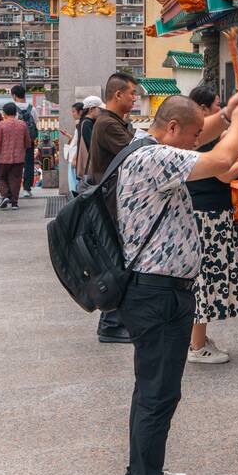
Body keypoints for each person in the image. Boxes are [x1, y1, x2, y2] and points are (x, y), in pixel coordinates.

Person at [115, 93, 238, 475]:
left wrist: (227, 114)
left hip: (159, 289)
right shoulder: (155, 158)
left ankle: (146, 470)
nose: (197, 142)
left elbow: (202, 131)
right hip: (157, 292)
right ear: (172, 129)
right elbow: (221, 160)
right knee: (158, 392)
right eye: (192, 135)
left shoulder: (145, 143)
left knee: (155, 389)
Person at [185, 85, 238, 364]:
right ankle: (197, 346)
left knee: (205, 281)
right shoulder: (201, 138)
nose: (223, 108)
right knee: (205, 281)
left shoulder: (197, 135)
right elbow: (226, 172)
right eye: (218, 105)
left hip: (210, 214)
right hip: (208, 217)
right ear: (204, 109)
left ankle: (198, 339)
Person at [89, 72, 141, 343]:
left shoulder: (114, 121)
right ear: (118, 94)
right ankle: (110, 322)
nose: (135, 97)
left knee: (119, 261)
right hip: (111, 204)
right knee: (116, 263)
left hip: (115, 202)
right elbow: (135, 154)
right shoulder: (108, 124)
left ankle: (115, 320)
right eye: (132, 93)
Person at [0, 102, 31, 210]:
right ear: (16, 112)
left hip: (3, 158)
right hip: (19, 158)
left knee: (0, 177)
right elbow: (27, 142)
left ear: (4, 113)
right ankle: (14, 203)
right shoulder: (22, 124)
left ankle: (5, 196)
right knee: (15, 180)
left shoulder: (1, 124)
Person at [73, 96, 104, 195]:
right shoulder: (87, 123)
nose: (101, 111)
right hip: (90, 168)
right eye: (99, 109)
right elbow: (91, 146)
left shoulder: (85, 122)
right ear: (91, 109)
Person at [11, 85, 38, 199]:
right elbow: (36, 123)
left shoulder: (11, 108)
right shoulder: (32, 108)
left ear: (14, 95)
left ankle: (14, 188)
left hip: (14, 141)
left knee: (15, 164)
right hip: (28, 140)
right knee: (29, 164)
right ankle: (27, 189)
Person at [65, 101, 85, 194]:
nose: (72, 114)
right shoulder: (80, 124)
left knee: (74, 182)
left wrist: (75, 158)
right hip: (73, 156)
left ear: (80, 112)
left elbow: (81, 143)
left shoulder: (81, 125)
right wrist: (69, 137)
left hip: (74, 157)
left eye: (74, 111)